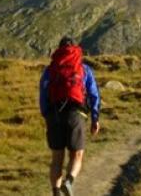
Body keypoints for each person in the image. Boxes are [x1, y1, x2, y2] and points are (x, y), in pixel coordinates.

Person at [39, 36, 101, 196]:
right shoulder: (83, 69)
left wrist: (47, 115)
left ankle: (56, 192)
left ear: (58, 49)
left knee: (57, 158)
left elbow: (43, 94)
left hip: (54, 114)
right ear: (75, 49)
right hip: (76, 114)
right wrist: (95, 118)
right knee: (77, 154)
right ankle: (69, 181)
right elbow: (94, 95)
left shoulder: (50, 69)